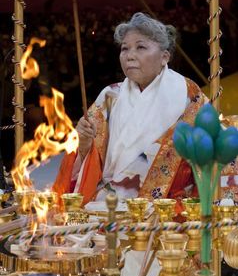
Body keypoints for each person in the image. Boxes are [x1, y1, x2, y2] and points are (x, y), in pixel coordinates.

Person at [53, 12, 206, 206]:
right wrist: (84, 143)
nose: (130, 56)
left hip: (165, 206)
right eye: (124, 49)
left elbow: (210, 151)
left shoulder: (187, 94)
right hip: (105, 201)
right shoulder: (110, 96)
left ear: (164, 57)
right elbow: (87, 161)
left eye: (140, 47)